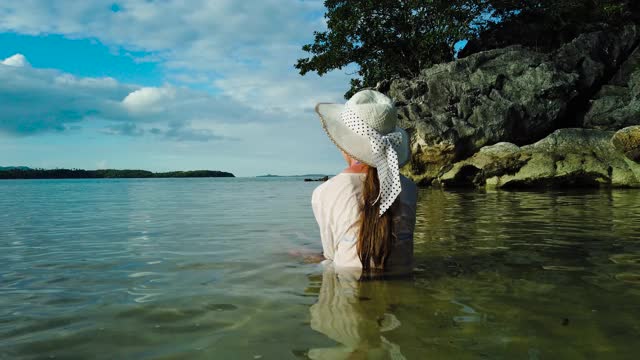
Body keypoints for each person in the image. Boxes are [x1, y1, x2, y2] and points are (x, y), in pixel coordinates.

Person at [311, 90, 418, 274]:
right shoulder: (409, 188)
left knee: (319, 260)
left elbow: (330, 254)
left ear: (344, 145)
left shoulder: (324, 192)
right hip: (402, 285)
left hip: (348, 286)